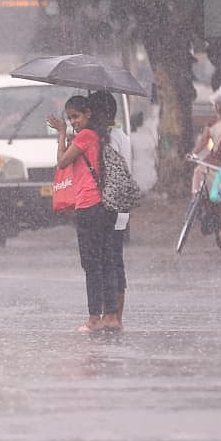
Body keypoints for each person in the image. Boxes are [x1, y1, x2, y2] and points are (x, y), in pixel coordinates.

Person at [48, 95, 119, 333]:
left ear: (88, 114)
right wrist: (70, 135)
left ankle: (94, 319)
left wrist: (61, 134)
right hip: (105, 206)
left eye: (75, 117)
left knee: (91, 264)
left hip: (89, 206)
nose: (73, 122)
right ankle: (111, 316)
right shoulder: (97, 135)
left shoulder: (86, 136)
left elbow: (61, 162)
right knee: (106, 261)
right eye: (70, 118)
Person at [89, 90, 132, 329]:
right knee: (114, 258)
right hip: (122, 206)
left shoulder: (109, 139)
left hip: (110, 206)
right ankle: (114, 315)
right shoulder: (121, 136)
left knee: (110, 259)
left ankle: (112, 315)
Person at [191, 85, 221, 195]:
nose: (218, 108)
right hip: (213, 159)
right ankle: (196, 198)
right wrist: (193, 153)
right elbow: (204, 140)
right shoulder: (212, 122)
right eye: (216, 105)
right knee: (198, 172)